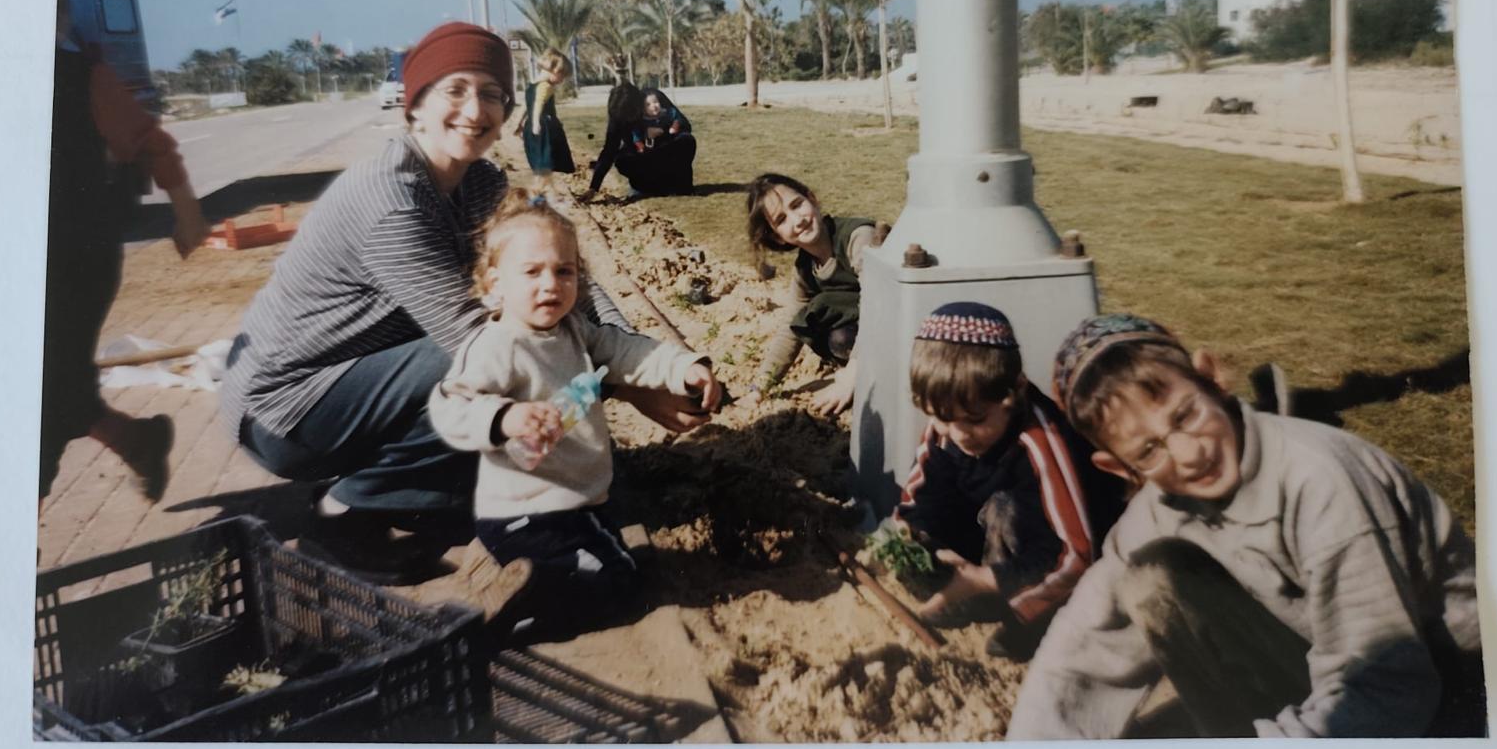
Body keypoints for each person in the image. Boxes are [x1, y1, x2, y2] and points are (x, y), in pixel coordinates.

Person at [219, 22, 711, 582]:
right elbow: (473, 334)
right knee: (488, 355)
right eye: (454, 90)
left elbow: (566, 272)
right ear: (416, 106)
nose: (474, 110)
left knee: (521, 336)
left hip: (355, 381)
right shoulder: (389, 198)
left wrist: (644, 361)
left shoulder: (478, 181)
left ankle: (422, 490)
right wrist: (622, 383)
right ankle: (342, 515)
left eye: (491, 94)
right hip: (286, 411)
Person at [1007, 313, 1485, 739]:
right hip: (1331, 671)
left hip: (1446, 688)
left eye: (1186, 415)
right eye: (1149, 451)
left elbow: (1388, 681)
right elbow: (1081, 643)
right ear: (1118, 468)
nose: (1190, 455)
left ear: (1213, 378)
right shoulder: (1158, 508)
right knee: (1152, 578)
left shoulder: (1319, 480)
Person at [428, 190, 722, 635]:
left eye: (564, 271)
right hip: (527, 511)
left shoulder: (573, 330)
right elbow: (452, 403)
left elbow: (626, 350)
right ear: (494, 285)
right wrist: (504, 418)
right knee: (621, 582)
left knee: (614, 554)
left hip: (572, 501)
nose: (551, 285)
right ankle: (524, 610)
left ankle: (519, 572)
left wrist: (683, 368)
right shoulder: (498, 345)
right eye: (531, 272)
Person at [41, 0, 210, 514]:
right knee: (52, 385)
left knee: (35, 396)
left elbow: (149, 141)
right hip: (16, 267)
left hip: (74, 260)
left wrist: (187, 211)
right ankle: (138, 442)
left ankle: (16, 550)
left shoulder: (82, 78)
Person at [891, 303, 1125, 659]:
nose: (959, 434)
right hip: (1000, 550)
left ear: (1013, 392)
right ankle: (972, 595)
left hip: (1072, 557)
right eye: (942, 418)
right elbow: (917, 500)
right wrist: (923, 543)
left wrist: (988, 579)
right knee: (927, 529)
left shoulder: (1041, 440)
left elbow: (1076, 555)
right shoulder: (947, 430)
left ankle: (1034, 624)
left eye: (975, 419)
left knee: (1004, 508)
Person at [738, 172, 874, 416]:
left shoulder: (858, 238)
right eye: (781, 219)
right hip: (861, 338)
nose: (797, 220)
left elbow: (880, 306)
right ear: (777, 236)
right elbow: (790, 327)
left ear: (812, 199)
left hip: (907, 328)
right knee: (826, 329)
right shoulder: (805, 268)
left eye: (797, 205)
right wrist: (759, 387)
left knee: (840, 334)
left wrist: (853, 375)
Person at [581, 82, 697, 201]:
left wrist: (661, 131)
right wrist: (593, 188)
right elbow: (609, 150)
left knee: (686, 140)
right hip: (641, 155)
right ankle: (646, 188)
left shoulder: (653, 98)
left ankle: (680, 185)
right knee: (622, 160)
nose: (628, 120)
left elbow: (685, 125)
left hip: (665, 148)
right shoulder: (618, 114)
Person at [517, 49, 574, 176]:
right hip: (544, 127)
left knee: (538, 161)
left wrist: (519, 123)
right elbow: (538, 103)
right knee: (546, 160)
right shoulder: (546, 86)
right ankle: (544, 188)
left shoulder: (532, 84)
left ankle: (543, 186)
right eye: (562, 76)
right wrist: (537, 123)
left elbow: (525, 106)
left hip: (530, 125)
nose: (562, 80)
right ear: (555, 71)